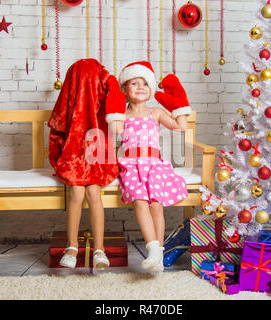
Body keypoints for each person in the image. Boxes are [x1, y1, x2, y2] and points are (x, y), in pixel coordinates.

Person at [108, 61, 192, 272]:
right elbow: (116, 129)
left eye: (145, 83)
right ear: (124, 89)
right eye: (134, 83)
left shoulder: (155, 112)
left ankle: (159, 253)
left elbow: (181, 127)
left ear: (152, 89)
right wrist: (115, 102)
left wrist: (178, 103)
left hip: (154, 164)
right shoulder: (123, 116)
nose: (140, 87)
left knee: (156, 205)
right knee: (140, 201)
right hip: (131, 165)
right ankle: (153, 248)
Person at [48, 59, 126, 269]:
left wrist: (110, 81)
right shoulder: (71, 105)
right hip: (74, 157)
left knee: (93, 193)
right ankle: (71, 245)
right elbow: (58, 129)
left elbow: (116, 107)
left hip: (98, 157)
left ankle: (99, 249)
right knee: (76, 192)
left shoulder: (104, 101)